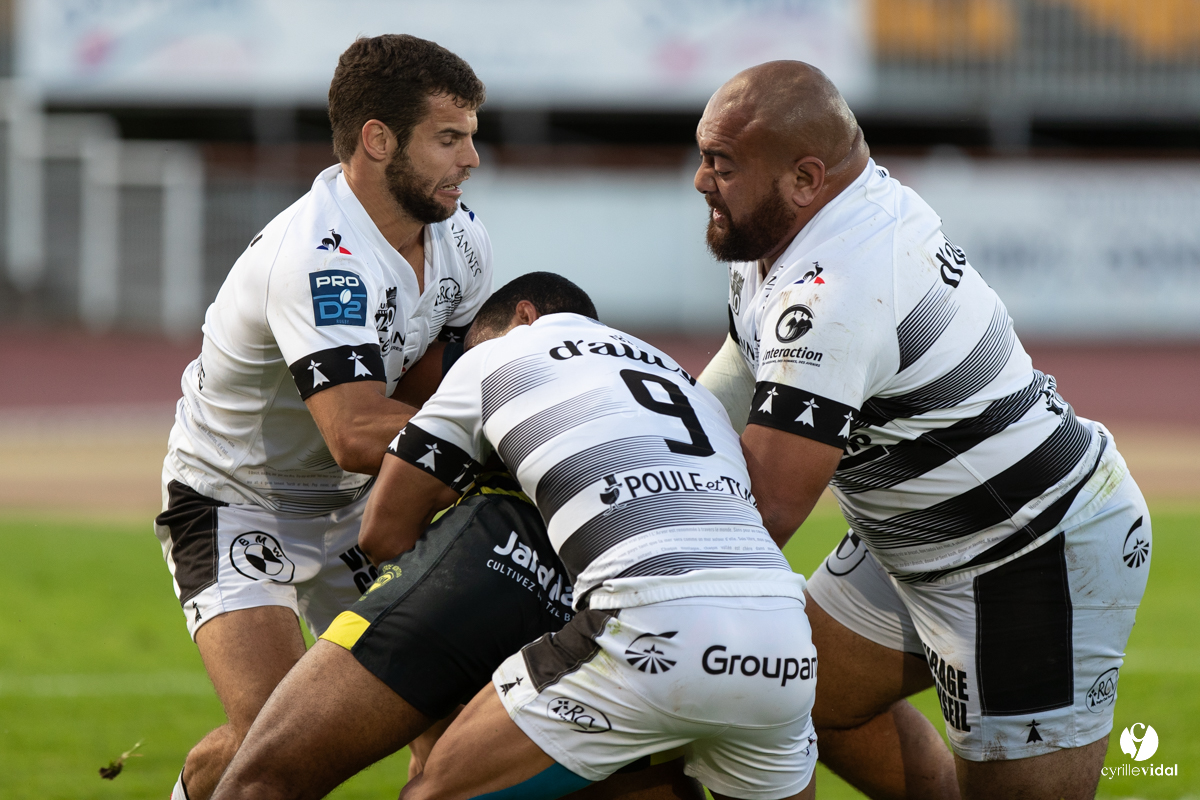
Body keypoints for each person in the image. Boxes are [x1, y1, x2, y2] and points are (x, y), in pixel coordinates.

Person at [693, 61, 1151, 800]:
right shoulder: (811, 219)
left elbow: (768, 508)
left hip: (1025, 552)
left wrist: (625, 560)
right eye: (703, 155)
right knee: (764, 691)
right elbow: (738, 375)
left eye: (722, 164)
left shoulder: (836, 288)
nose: (701, 181)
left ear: (805, 178)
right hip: (920, 542)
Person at [153, 34, 492, 800]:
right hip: (237, 503)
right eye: (448, 138)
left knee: (455, 725)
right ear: (378, 140)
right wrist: (514, 443)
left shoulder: (463, 240)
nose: (472, 159)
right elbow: (355, 431)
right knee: (274, 740)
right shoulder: (317, 256)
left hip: (360, 504)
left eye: (471, 136)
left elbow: (430, 396)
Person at [356, 272, 820, 800]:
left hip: (648, 628)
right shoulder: (689, 386)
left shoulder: (499, 356)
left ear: (524, 316)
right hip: (785, 645)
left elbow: (382, 532)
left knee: (428, 792)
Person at [210, 467, 706, 800]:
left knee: (264, 774)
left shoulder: (495, 366)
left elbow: (381, 530)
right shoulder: (692, 398)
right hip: (683, 601)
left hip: (496, 550)